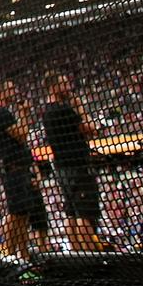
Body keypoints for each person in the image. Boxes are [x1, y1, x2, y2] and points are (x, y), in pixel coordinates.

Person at [42, 72, 103, 252]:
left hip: (62, 166)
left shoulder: (47, 111)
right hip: (78, 164)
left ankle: (77, 255)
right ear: (54, 87)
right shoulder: (64, 109)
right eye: (64, 83)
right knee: (84, 213)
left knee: (71, 212)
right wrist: (80, 107)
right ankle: (90, 256)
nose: (68, 86)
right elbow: (91, 130)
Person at [0, 79, 47, 258]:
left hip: (18, 169)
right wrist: (24, 113)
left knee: (22, 215)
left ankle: (22, 255)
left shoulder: (3, 112)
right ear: (1, 91)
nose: (15, 91)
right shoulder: (0, 113)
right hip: (13, 170)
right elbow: (21, 135)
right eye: (11, 88)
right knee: (16, 214)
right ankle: (11, 254)